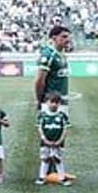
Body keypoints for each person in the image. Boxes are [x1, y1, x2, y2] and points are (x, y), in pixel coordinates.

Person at [35, 25, 74, 181]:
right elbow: (40, 80)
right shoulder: (48, 54)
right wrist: (40, 100)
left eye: (68, 36)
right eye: (64, 37)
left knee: (60, 132)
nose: (67, 39)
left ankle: (57, 169)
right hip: (50, 102)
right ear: (54, 38)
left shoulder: (61, 54)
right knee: (49, 132)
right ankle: (49, 171)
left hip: (62, 101)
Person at [36, 93, 71, 186]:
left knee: (58, 159)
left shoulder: (62, 115)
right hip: (45, 142)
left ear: (60, 104)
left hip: (58, 142)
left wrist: (60, 140)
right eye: (52, 102)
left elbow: (65, 129)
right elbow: (39, 128)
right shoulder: (42, 115)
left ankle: (62, 178)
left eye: (57, 102)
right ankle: (42, 177)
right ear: (47, 103)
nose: (54, 104)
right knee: (45, 159)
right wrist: (44, 139)